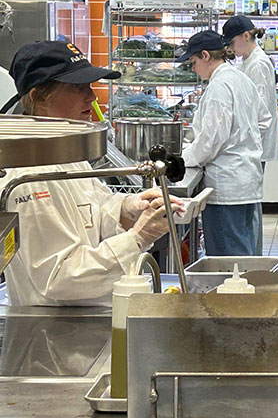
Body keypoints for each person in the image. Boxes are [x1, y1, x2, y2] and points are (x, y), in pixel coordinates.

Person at [2, 40, 181, 306]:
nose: (92, 97)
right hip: (55, 334)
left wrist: (129, 207)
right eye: (77, 87)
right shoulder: (29, 179)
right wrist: (138, 238)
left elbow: (93, 210)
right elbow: (60, 281)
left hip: (84, 322)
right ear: (40, 96)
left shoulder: (65, 152)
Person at [179, 30, 272, 256]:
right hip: (246, 179)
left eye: (193, 62)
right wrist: (241, 142)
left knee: (229, 264)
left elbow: (210, 142)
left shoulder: (219, 86)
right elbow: (263, 120)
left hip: (226, 187)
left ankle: (235, 294)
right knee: (243, 255)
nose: (193, 68)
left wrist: (184, 159)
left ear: (205, 56)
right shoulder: (240, 79)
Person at [222, 15, 278, 255]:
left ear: (247, 36)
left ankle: (254, 258)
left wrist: (247, 143)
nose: (230, 47)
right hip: (252, 144)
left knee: (252, 208)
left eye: (232, 42)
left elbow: (260, 112)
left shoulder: (258, 63)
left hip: (256, 146)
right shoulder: (247, 61)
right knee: (250, 207)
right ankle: (252, 256)